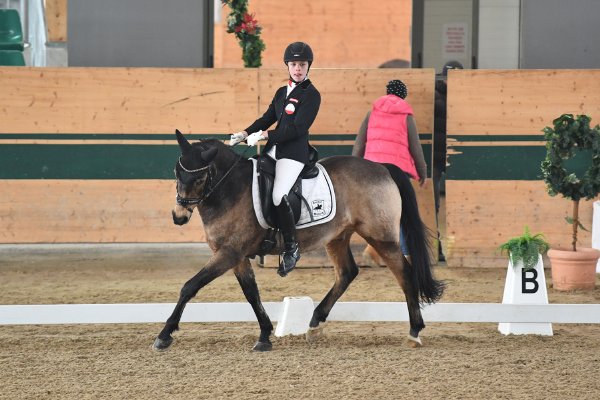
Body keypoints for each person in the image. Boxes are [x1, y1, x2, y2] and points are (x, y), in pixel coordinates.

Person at [229, 42, 321, 277]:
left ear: (308, 66)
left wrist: (265, 135)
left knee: (279, 195)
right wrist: (245, 133)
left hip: (293, 154)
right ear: (287, 66)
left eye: (302, 64)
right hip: (273, 151)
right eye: (293, 64)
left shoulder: (311, 95)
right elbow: (267, 117)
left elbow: (298, 129)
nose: (298, 69)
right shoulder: (282, 92)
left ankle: (291, 248)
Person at [352, 79, 427, 267]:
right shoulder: (406, 115)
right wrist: (422, 172)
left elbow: (359, 143)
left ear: (387, 92)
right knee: (402, 213)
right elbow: (415, 146)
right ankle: (406, 254)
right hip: (397, 172)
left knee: (375, 213)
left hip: (373, 172)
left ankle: (373, 249)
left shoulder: (372, 113)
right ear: (403, 95)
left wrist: (354, 167)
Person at [433, 60, 463, 262]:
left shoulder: (464, 97)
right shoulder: (435, 97)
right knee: (432, 204)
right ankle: (436, 249)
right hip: (437, 156)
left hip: (453, 156)